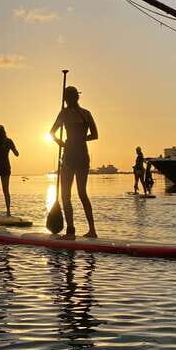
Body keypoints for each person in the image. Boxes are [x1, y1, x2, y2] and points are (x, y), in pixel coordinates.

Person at [51, 86, 98, 237]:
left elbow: (51, 132)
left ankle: (74, 230)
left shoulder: (65, 113)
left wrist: (62, 142)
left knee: (67, 194)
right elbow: (94, 135)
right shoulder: (85, 113)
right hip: (81, 154)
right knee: (80, 193)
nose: (66, 100)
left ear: (68, 98)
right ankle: (89, 230)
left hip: (72, 156)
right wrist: (79, 139)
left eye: (67, 97)